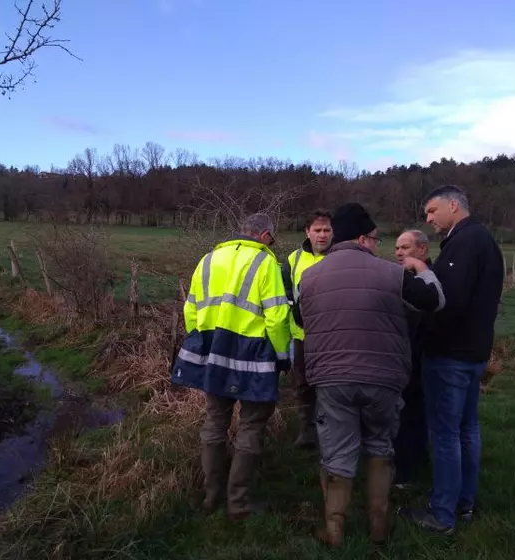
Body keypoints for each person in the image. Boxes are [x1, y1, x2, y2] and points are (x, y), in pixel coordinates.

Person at [295, 203, 445, 547]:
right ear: (362, 238)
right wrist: (421, 267)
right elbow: (434, 301)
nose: (379, 245)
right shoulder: (392, 274)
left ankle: (334, 531)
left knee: (337, 452)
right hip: (385, 378)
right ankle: (379, 528)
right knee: (380, 446)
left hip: (331, 380)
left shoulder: (309, 276)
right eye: (376, 238)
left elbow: (301, 318)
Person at [399, 185, 504, 535]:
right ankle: (464, 502)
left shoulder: (464, 243)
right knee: (466, 430)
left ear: (454, 206)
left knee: (445, 434)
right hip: (474, 352)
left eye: (432, 211)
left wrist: (416, 276)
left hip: (451, 355)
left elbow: (447, 303)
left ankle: (442, 514)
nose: (428, 218)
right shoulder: (483, 240)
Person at [171, 213, 291, 521]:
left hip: (213, 352)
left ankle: (212, 496)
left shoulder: (208, 259)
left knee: (214, 422)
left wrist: (203, 343)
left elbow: (191, 309)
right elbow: (277, 317)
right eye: (272, 239)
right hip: (253, 356)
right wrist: (282, 355)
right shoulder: (266, 264)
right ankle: (238, 503)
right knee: (251, 425)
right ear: (265, 235)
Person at [281, 209, 333, 448]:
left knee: (329, 387)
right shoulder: (293, 259)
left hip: (332, 336)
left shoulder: (338, 257)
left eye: (327, 230)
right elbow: (286, 294)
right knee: (302, 385)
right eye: (318, 230)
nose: (322, 235)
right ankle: (307, 431)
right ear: (307, 232)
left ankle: (330, 433)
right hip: (301, 336)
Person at [392, 229, 432, 489]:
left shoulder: (430, 280)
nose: (398, 253)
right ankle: (408, 465)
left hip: (424, 355)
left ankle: (409, 468)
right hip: (404, 357)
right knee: (407, 413)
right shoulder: (402, 278)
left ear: (422, 250)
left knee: (415, 413)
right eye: (397, 248)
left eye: (405, 248)